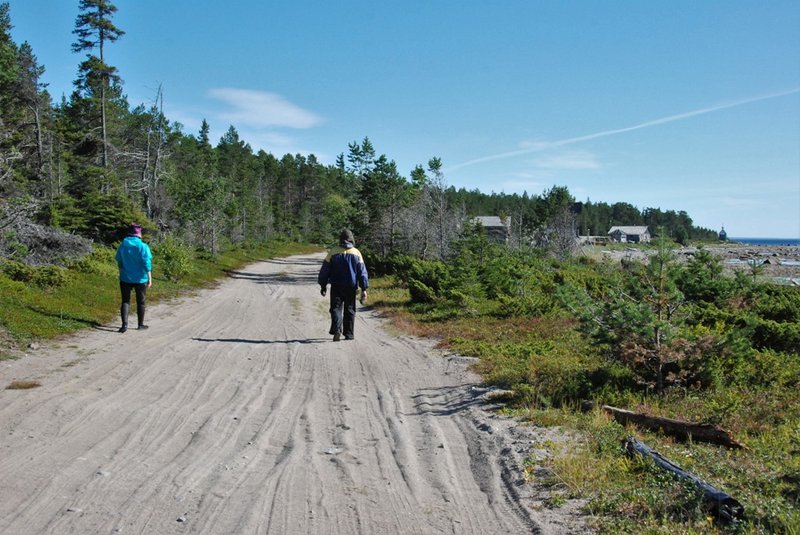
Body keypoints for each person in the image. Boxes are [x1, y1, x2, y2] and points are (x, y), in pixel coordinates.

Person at [318, 228, 368, 341]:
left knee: (336, 308)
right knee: (350, 309)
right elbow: (362, 272)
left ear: (341, 239)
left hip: (336, 285)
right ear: (351, 239)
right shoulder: (356, 253)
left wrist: (323, 285)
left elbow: (325, 270)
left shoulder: (333, 251)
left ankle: (337, 330)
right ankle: (349, 334)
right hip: (351, 286)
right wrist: (364, 288)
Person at [115, 223, 153, 333]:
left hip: (125, 277)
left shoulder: (122, 245)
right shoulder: (143, 246)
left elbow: (119, 260)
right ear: (139, 234)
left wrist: (121, 271)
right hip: (141, 279)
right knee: (141, 302)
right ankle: (140, 325)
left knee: (125, 301)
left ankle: (124, 325)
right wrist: (149, 278)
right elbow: (147, 263)